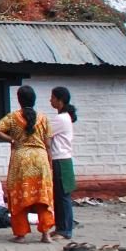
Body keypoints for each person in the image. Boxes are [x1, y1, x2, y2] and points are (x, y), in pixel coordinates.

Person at [0, 85, 56, 243]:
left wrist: (12, 139)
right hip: (40, 159)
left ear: (19, 100)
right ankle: (46, 233)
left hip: (21, 160)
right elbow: (48, 144)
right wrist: (50, 163)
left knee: (19, 197)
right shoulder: (43, 118)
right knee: (43, 198)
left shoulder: (13, 117)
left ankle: (21, 234)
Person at [48, 87, 78, 239]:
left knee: (63, 196)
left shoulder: (61, 118)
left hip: (61, 159)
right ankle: (61, 226)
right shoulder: (63, 116)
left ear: (60, 101)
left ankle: (65, 229)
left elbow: (45, 132)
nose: (50, 100)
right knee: (59, 196)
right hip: (61, 159)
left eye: (53, 98)